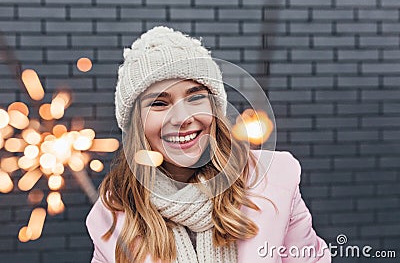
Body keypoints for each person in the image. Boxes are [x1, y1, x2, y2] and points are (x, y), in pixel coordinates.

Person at [86, 26, 331, 263]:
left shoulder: (275, 181)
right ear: (136, 124)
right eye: (159, 104)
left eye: (195, 98)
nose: (182, 118)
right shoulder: (110, 217)